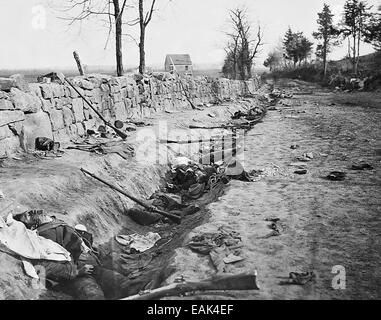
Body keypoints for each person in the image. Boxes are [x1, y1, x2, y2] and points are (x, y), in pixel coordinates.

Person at [14, 209, 171, 300]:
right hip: (75, 275)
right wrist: (76, 272)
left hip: (92, 267)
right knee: (93, 296)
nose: (32, 211)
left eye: (29, 210)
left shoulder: (57, 223)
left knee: (126, 285)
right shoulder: (38, 239)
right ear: (32, 225)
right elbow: (44, 265)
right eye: (27, 215)